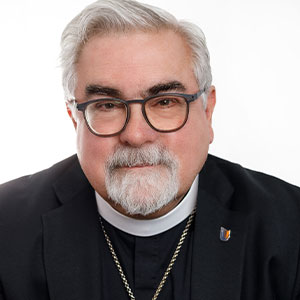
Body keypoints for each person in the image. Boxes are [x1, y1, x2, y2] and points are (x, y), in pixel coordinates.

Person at [0, 0, 299, 299]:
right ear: (74, 118)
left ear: (207, 112)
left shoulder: (291, 227)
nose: (136, 134)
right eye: (107, 105)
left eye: (165, 102)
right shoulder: (6, 227)